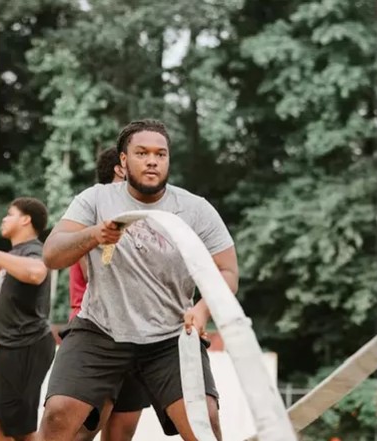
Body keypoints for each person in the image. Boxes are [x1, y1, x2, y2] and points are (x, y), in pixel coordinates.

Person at [36, 119, 238, 441]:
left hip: (170, 336)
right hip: (101, 330)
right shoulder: (95, 199)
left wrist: (201, 311)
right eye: (142, 153)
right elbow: (52, 255)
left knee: (205, 421)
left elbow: (227, 272)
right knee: (59, 412)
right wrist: (94, 234)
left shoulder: (195, 209)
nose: (152, 160)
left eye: (161, 154)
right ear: (123, 161)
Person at [66, 146, 149, 441]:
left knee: (120, 434)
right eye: (140, 158)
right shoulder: (94, 208)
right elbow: (97, 275)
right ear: (121, 167)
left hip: (138, 334)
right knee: (79, 433)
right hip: (98, 332)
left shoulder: (145, 213)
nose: (150, 166)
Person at [0, 198, 55, 441]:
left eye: (9, 214)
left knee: (22, 431)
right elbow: (10, 273)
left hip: (27, 345)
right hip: (7, 346)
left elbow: (36, 272)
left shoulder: (35, 251)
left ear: (25, 219)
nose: (4, 219)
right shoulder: (15, 255)